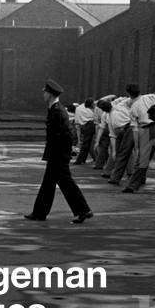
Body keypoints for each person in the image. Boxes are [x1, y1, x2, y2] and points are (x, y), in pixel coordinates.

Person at [25, 79, 93, 224]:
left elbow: (66, 134)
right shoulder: (56, 109)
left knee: (64, 182)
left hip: (58, 155)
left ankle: (83, 210)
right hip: (56, 153)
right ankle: (40, 212)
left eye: (45, 92)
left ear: (50, 94)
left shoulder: (57, 111)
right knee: (49, 183)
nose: (43, 94)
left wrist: (67, 152)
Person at [121, 86, 155, 192]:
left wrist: (137, 146)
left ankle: (132, 185)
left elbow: (135, 130)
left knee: (143, 160)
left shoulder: (133, 108)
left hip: (148, 131)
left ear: (129, 94)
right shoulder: (151, 96)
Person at [73, 98, 96, 164]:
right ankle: (81, 159)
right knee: (88, 143)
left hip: (84, 126)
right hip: (91, 124)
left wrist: (78, 137)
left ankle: (81, 159)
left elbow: (77, 123)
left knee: (87, 143)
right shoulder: (91, 109)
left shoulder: (78, 109)